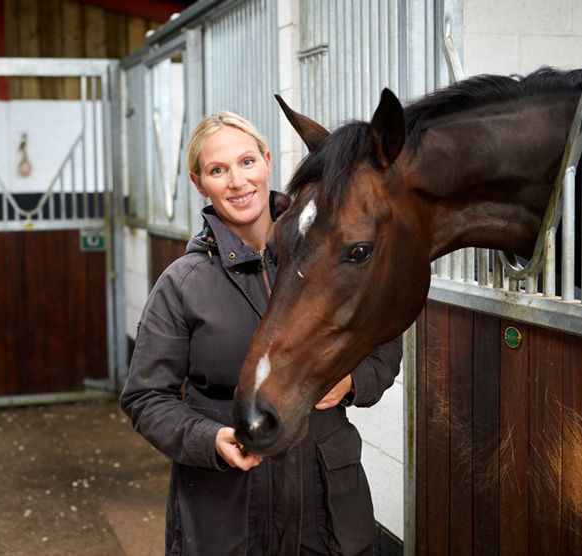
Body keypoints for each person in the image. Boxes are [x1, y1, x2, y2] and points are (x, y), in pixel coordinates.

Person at [120, 111, 402, 556]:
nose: (237, 181)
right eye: (218, 170)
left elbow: (383, 340)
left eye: (246, 161)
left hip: (327, 512)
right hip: (226, 518)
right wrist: (208, 439)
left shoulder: (327, 255)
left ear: (267, 162)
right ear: (200, 184)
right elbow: (144, 397)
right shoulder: (182, 283)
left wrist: (352, 382)